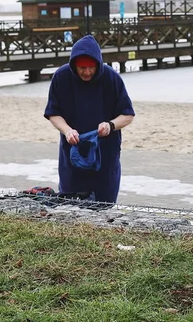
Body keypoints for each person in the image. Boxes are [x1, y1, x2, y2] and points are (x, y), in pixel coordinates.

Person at [44, 34, 135, 202]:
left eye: (91, 67)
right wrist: (67, 130)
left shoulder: (112, 78)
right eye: (82, 68)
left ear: (98, 64)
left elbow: (128, 114)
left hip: (105, 153)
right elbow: (53, 113)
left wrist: (110, 125)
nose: (87, 72)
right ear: (74, 65)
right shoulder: (61, 77)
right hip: (72, 151)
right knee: (70, 203)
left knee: (104, 203)